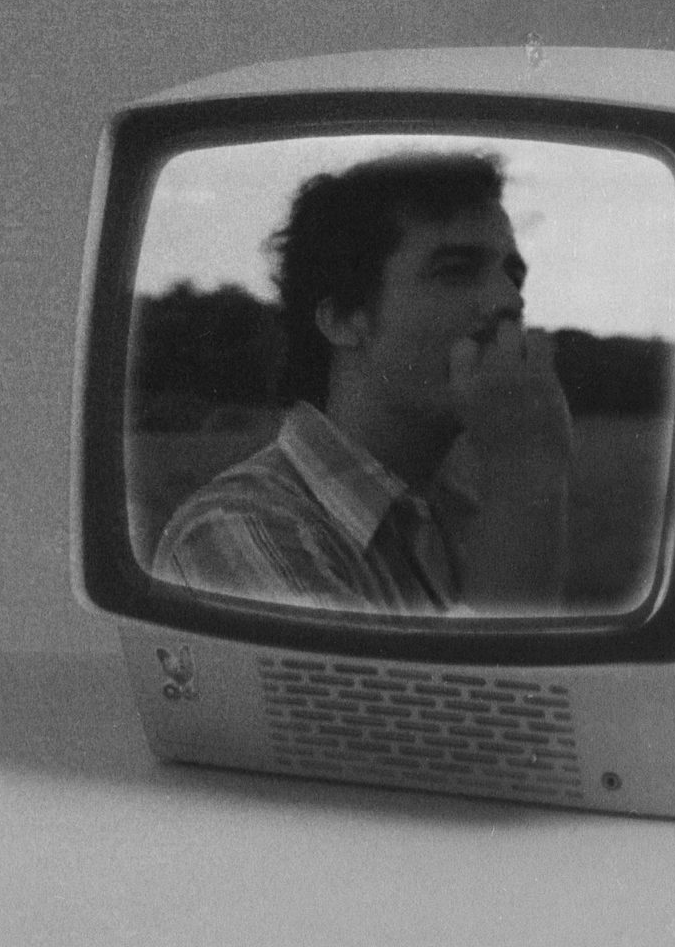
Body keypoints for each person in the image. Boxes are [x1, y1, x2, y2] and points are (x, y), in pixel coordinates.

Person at [152, 152, 573, 614]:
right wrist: (524, 465)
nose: (509, 300)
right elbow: (489, 665)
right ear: (342, 319)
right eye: (455, 270)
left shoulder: (460, 518)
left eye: (513, 277)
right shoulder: (237, 531)